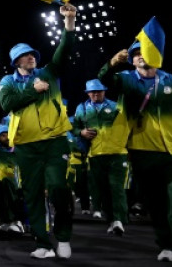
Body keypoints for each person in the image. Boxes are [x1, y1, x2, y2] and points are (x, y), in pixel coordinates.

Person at [0, 2, 78, 260]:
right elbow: (8, 103)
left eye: (32, 54)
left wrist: (69, 22)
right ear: (15, 61)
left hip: (55, 141)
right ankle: (43, 243)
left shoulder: (49, 72)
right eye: (25, 55)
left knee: (58, 188)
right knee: (31, 195)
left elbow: (64, 50)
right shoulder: (8, 81)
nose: (31, 56)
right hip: (26, 145)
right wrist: (34, 90)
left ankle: (63, 236)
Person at [98, 41, 172, 261]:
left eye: (145, 52)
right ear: (131, 60)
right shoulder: (126, 80)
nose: (140, 56)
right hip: (143, 151)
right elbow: (104, 79)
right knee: (158, 203)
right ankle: (167, 246)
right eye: (135, 54)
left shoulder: (171, 81)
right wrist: (112, 63)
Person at [72, 78, 129, 235]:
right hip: (95, 154)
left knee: (116, 187)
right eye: (92, 91)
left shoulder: (117, 107)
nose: (96, 94)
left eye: (99, 91)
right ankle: (111, 220)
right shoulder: (82, 109)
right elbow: (75, 127)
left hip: (117, 153)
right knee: (103, 189)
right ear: (88, 93)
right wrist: (81, 132)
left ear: (104, 91)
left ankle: (119, 220)